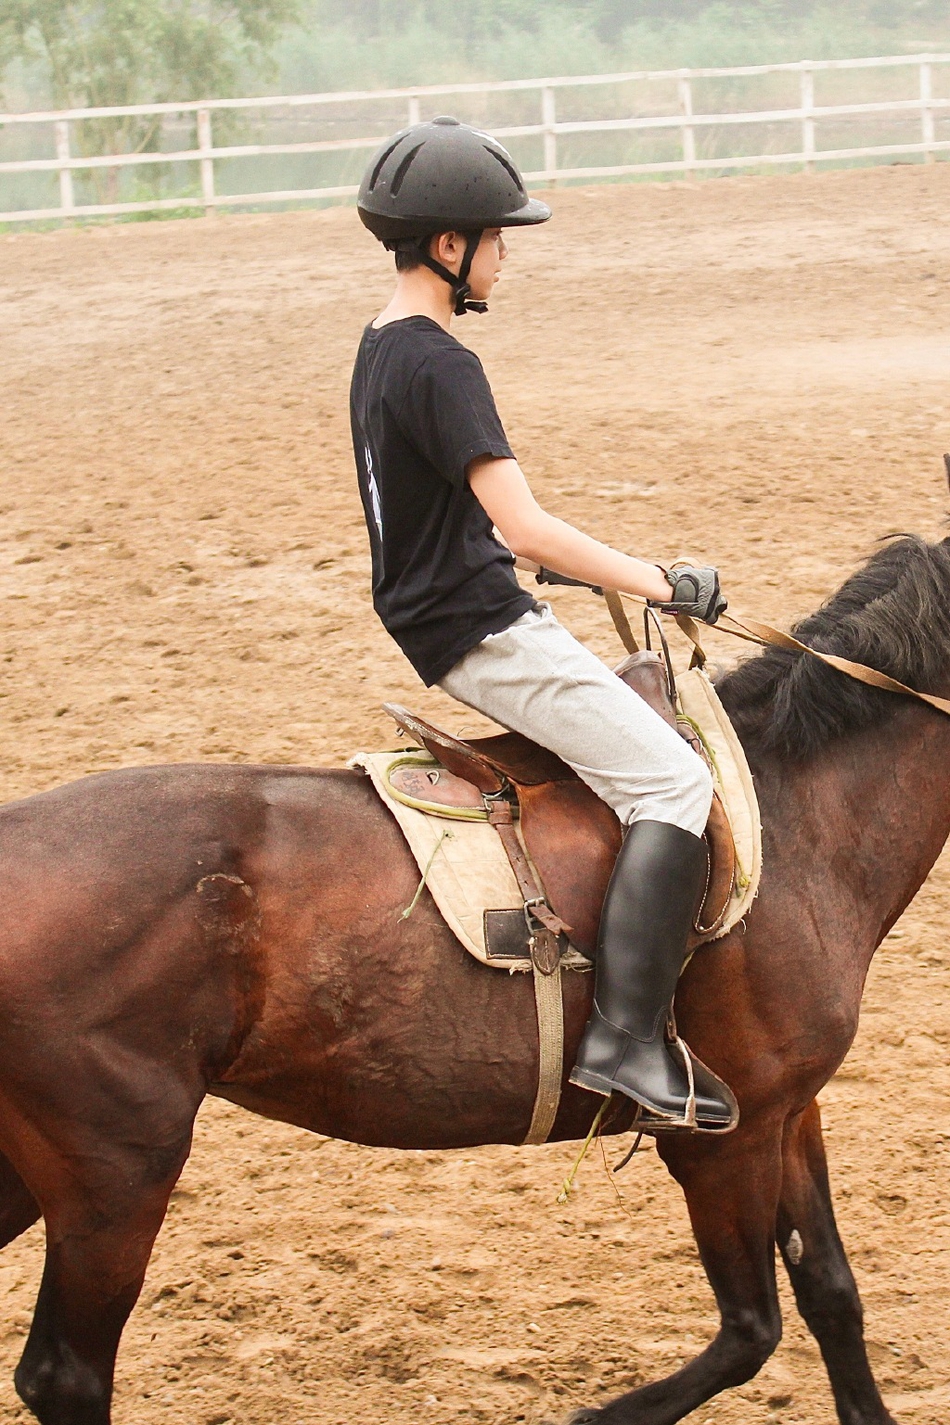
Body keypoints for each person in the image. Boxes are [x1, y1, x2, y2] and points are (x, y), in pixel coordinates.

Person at [350, 116, 735, 1133]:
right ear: (448, 247)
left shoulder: (381, 345)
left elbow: (446, 520)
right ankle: (627, 1042)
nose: (505, 254)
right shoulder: (442, 364)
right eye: (495, 237)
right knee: (671, 782)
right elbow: (522, 524)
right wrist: (657, 581)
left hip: (444, 608)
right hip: (479, 631)